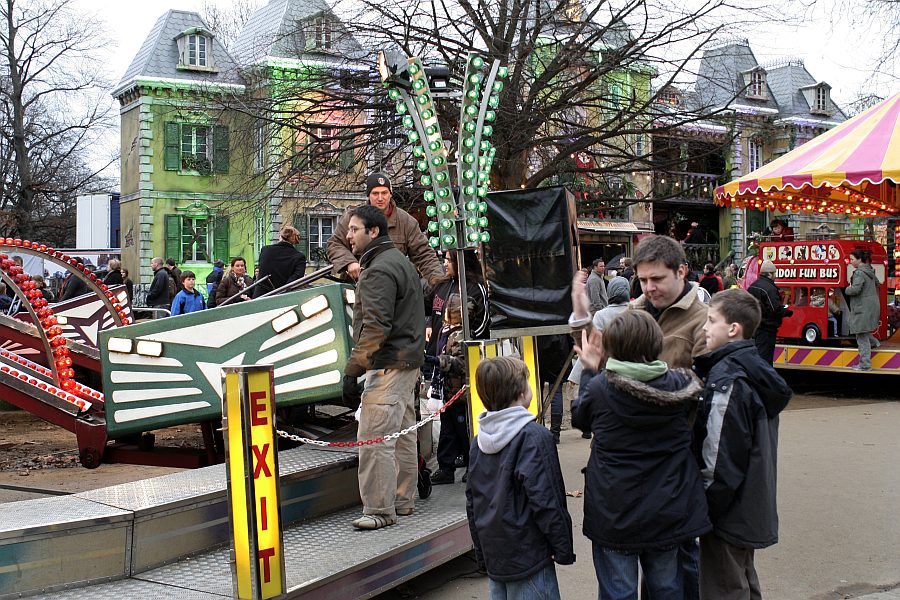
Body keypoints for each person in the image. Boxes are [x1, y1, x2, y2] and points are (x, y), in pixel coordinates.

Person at [572, 310, 710, 600]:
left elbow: (581, 420)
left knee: (617, 591)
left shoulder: (600, 388)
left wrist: (589, 369)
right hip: (668, 507)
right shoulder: (680, 384)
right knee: (667, 588)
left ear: (612, 347)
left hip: (615, 510)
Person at [693, 289, 792, 599]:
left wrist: (703, 507)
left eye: (711, 321)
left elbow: (719, 458)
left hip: (727, 512)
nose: (705, 329)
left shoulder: (728, 379)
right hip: (749, 506)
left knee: (725, 587)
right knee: (743, 582)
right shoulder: (753, 369)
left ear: (733, 328)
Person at [342, 205, 425, 530]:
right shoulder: (399, 262)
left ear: (373, 231)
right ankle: (403, 500)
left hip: (389, 363)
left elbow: (375, 328)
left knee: (375, 436)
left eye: (353, 229)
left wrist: (353, 370)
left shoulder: (377, 270)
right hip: (407, 361)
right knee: (403, 433)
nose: (348, 236)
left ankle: (379, 509)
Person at [466, 356, 575, 599]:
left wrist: (482, 555)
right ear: (520, 392)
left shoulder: (478, 442)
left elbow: (473, 503)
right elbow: (547, 499)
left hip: (498, 559)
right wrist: (562, 547)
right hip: (530, 556)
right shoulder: (534, 437)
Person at [428, 250, 490, 485]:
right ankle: (446, 466)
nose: (444, 264)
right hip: (441, 359)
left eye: (448, 260)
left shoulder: (476, 288)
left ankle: (470, 461)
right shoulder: (441, 286)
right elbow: (431, 314)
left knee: (464, 416)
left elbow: (483, 323)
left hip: (464, 363)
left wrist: (469, 342)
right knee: (447, 417)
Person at [327, 172, 445, 289]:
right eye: (375, 193)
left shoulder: (406, 221)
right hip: (355, 287)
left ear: (390, 194)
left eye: (384, 193)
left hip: (392, 287)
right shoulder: (353, 217)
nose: (380, 198)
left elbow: (424, 254)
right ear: (368, 195)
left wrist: (439, 284)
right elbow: (335, 244)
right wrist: (349, 262)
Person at [747, 260, 792, 362]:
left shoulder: (753, 286)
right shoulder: (769, 289)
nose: (775, 276)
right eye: (774, 273)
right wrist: (787, 312)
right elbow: (774, 309)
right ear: (769, 274)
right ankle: (762, 378)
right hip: (767, 330)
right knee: (765, 359)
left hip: (754, 328)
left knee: (756, 357)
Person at [844, 249, 881, 371]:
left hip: (862, 306)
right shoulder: (869, 270)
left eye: (852, 259)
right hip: (871, 305)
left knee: (860, 334)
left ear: (859, 260)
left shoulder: (859, 273)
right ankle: (875, 342)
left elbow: (855, 290)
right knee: (863, 330)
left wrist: (847, 289)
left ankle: (865, 365)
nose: (850, 262)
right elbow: (877, 283)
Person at [253, 225, 307, 298]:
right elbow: (295, 279)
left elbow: (262, 270)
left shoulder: (265, 250)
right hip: (283, 297)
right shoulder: (299, 257)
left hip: (261, 295)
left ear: (280, 236)